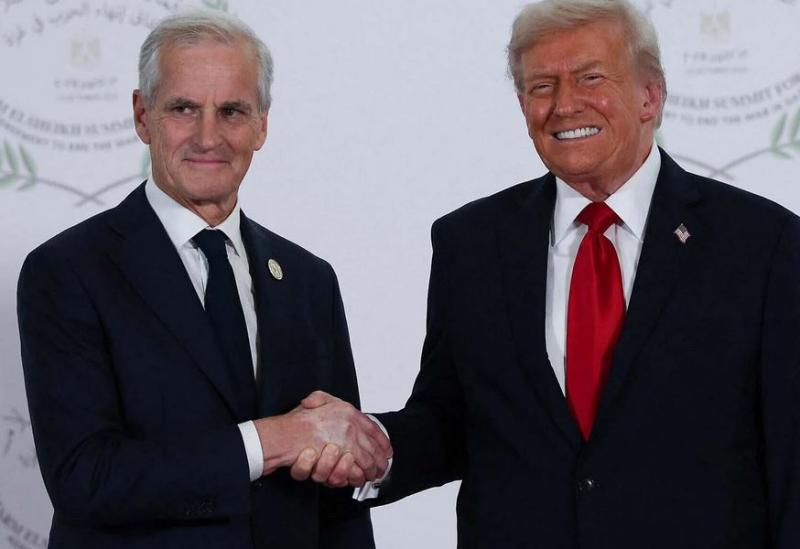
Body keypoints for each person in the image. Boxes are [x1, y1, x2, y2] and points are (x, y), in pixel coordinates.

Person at [299, 0, 800, 547]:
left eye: (590, 78)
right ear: (522, 106)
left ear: (650, 96)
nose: (564, 105)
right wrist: (373, 446)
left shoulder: (762, 244)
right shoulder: (471, 242)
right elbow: (450, 419)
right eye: (542, 86)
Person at [17, 11, 390, 549]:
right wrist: (272, 439)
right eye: (183, 109)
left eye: (231, 111)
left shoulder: (309, 280)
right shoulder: (68, 270)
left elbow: (337, 494)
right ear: (142, 116)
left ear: (262, 124)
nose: (207, 136)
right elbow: (86, 478)